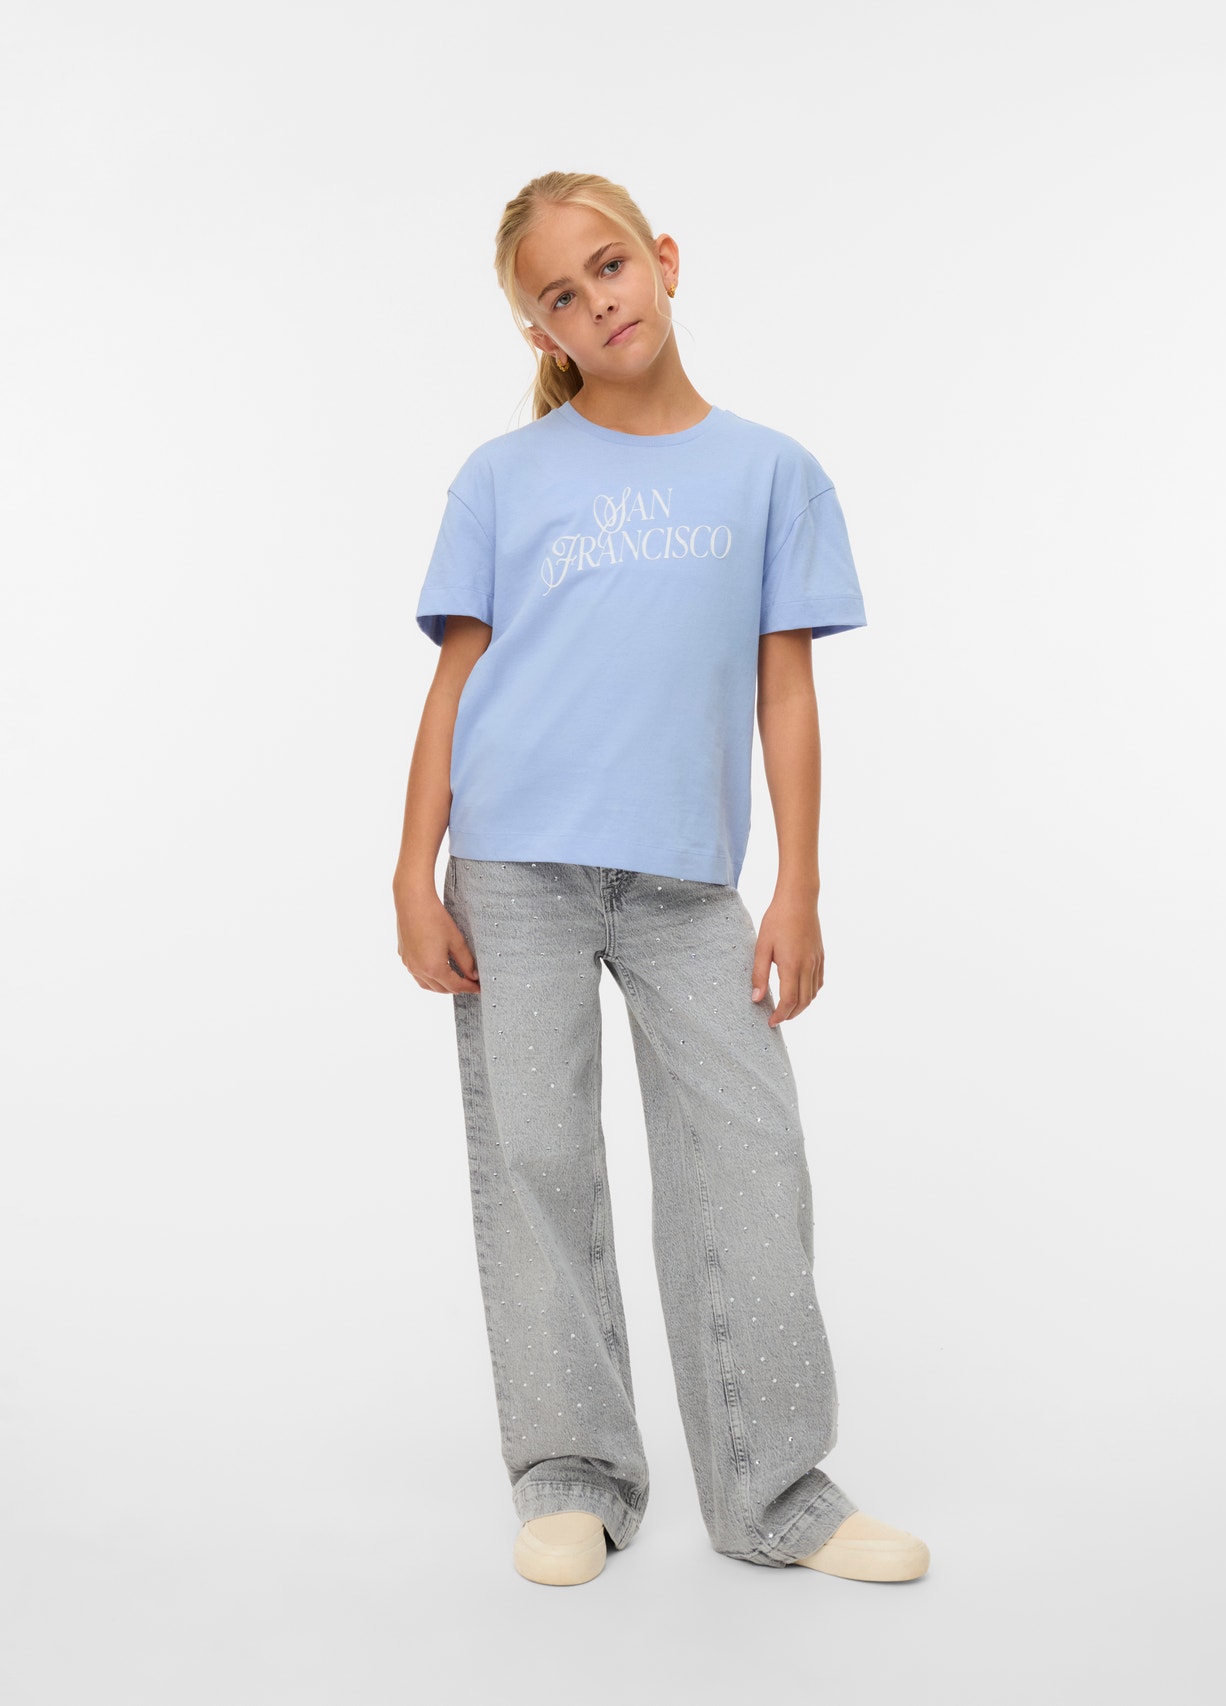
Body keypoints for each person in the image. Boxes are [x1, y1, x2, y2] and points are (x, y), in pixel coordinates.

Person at [392, 170, 930, 1588]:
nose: (597, 303)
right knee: (539, 1160)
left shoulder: (771, 472)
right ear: (541, 333)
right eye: (560, 298)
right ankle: (572, 1473)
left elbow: (786, 693)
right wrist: (409, 870)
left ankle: (777, 1492)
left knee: (749, 1160)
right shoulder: (502, 478)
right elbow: (456, 684)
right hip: (513, 865)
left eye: (610, 267)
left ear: (666, 259)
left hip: (690, 880)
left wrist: (799, 885)